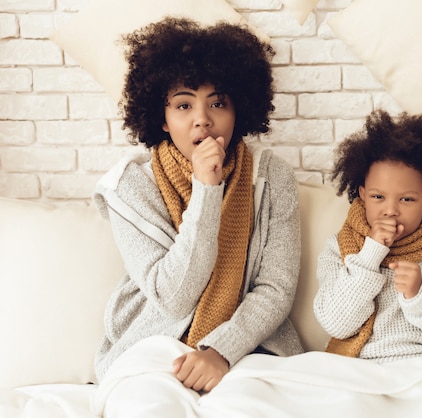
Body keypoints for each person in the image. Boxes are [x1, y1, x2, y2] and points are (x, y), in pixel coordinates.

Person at [91, 16, 303, 416]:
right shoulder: (128, 186)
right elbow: (173, 297)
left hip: (246, 347)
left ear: (239, 108)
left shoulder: (272, 176)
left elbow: (276, 288)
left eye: (217, 103)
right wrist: (208, 189)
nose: (202, 119)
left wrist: (220, 350)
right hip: (153, 345)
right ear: (162, 118)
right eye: (184, 104)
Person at [313, 109, 422, 362]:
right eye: (378, 197)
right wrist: (370, 254)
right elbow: (336, 324)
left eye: (406, 199)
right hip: (361, 368)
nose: (391, 210)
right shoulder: (338, 247)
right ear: (362, 195)